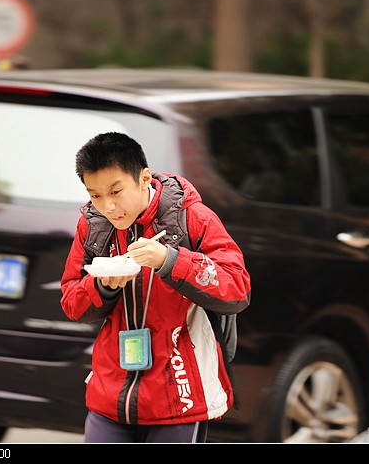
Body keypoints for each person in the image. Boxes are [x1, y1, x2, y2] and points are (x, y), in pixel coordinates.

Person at [60, 132, 251, 443]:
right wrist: (103, 286)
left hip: (178, 393)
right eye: (95, 195)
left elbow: (237, 287)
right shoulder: (92, 226)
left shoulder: (192, 217)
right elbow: (71, 302)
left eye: (116, 191)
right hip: (111, 392)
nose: (109, 206)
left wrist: (169, 260)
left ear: (144, 178)